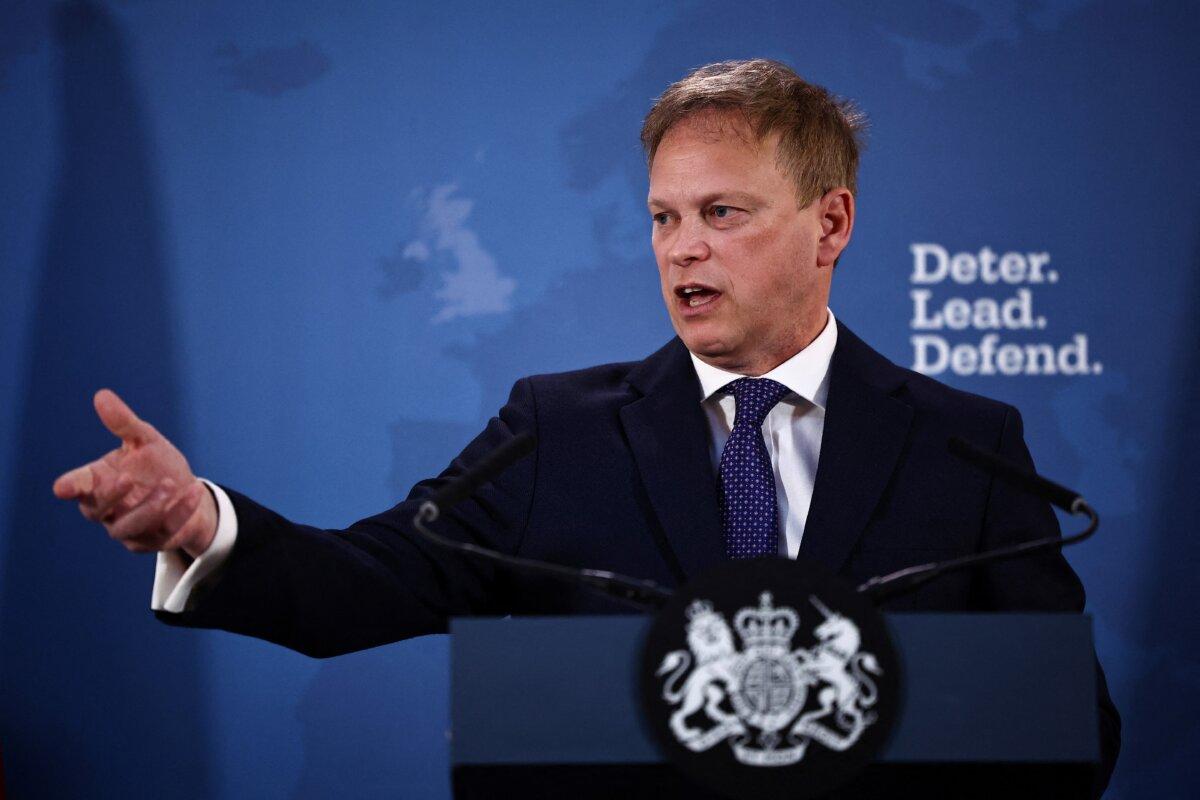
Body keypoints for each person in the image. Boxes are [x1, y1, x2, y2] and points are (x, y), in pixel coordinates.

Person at [53, 60, 1118, 793]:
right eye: (664, 216)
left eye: (722, 213)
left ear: (830, 222)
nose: (681, 249)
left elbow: (1074, 728)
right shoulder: (553, 432)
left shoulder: (960, 443)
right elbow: (362, 582)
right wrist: (201, 520)